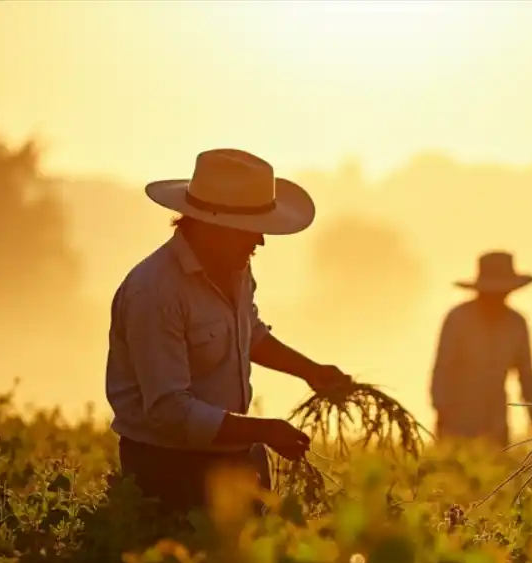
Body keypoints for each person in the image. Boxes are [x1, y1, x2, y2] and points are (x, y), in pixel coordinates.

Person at [105, 148, 353, 526]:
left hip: (235, 455)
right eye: (251, 229)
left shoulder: (235, 268)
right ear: (212, 225)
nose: (261, 242)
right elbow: (170, 411)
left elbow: (248, 334)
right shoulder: (155, 292)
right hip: (168, 469)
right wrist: (265, 430)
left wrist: (310, 371)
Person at [430, 251, 532, 449]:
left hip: (496, 423)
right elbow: (442, 369)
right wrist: (442, 411)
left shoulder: (516, 324)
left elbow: (526, 375)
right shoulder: (458, 319)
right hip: (457, 422)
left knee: (496, 473)